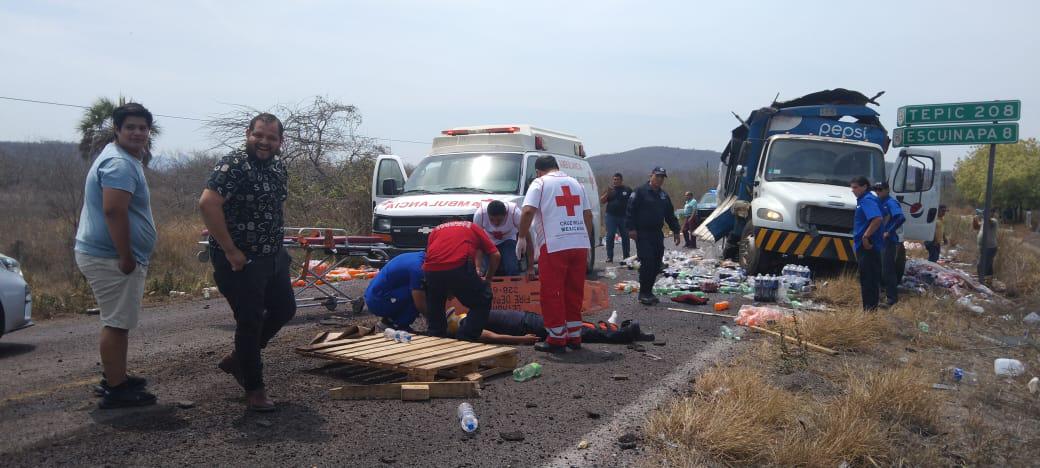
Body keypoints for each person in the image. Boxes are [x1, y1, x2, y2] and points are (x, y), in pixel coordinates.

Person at [199, 113, 294, 412]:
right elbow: (208, 204)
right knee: (250, 321)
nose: (264, 142)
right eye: (259, 135)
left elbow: (274, 206)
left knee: (284, 308)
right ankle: (254, 389)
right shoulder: (233, 164)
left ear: (280, 141)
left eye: (271, 137)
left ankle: (240, 359)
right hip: (241, 259)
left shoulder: (278, 167)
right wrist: (230, 250)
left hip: (272, 255)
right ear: (248, 134)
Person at [74, 103, 158, 409]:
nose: (137, 133)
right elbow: (113, 210)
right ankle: (116, 389)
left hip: (107, 254)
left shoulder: (122, 158)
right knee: (117, 323)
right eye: (130, 127)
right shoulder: (119, 164)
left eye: (142, 128)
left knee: (118, 320)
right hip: (111, 257)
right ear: (117, 129)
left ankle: (116, 376)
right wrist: (126, 255)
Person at [517, 155, 594, 353]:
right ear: (557, 167)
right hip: (579, 244)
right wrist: (587, 243)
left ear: (539, 171)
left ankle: (557, 338)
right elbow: (587, 214)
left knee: (552, 292)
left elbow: (527, 212)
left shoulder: (540, 183)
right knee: (574, 291)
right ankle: (574, 335)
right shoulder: (576, 184)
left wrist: (522, 237)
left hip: (554, 244)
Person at [422, 221, 500, 341]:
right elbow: (496, 255)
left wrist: (447, 287)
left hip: (431, 269)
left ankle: (436, 337)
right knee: (483, 300)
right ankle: (466, 337)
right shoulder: (472, 227)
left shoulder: (436, 229)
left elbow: (435, 256)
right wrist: (488, 280)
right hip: (459, 265)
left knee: (436, 304)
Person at [626, 167, 681, 306]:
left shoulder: (663, 195)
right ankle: (643, 293)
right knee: (647, 262)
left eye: (662, 177)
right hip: (643, 233)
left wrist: (676, 230)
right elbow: (630, 210)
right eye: (657, 176)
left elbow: (669, 214)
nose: (660, 179)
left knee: (657, 263)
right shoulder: (640, 192)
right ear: (651, 176)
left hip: (657, 233)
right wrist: (631, 228)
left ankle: (649, 292)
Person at [447, 308, 655, 345]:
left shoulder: (470, 316)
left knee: (573, 326)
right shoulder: (467, 327)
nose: (455, 316)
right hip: (525, 325)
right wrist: (522, 340)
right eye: (451, 317)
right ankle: (624, 335)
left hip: (527, 318)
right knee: (577, 332)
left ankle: (612, 330)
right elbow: (490, 336)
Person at [364, 252, 426, 331]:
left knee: (417, 288)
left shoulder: (418, 256)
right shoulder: (418, 267)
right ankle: (399, 325)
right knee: (418, 293)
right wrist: (432, 319)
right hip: (378, 301)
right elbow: (419, 301)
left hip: (375, 295)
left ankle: (389, 322)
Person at [472, 200, 531, 276]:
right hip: (488, 241)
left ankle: (513, 285)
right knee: (486, 269)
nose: (496, 223)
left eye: (499, 220)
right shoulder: (480, 215)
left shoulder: (515, 213)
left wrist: (530, 267)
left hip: (509, 239)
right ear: (487, 214)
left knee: (511, 267)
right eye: (492, 219)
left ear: (506, 214)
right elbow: (477, 244)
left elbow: (529, 240)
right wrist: (478, 267)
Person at [851, 177, 884, 311]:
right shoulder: (868, 199)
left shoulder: (867, 200)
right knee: (868, 278)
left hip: (868, 246)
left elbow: (877, 219)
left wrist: (866, 236)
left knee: (868, 279)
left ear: (864, 187)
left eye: (855, 187)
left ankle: (869, 311)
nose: (853, 190)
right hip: (866, 245)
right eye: (852, 187)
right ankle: (869, 309)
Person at [875, 182, 905, 307]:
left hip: (888, 241)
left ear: (887, 190)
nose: (878, 191)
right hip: (879, 240)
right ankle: (880, 294)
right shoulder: (879, 201)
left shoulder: (890, 203)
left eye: (880, 189)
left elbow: (901, 218)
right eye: (876, 189)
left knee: (888, 270)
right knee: (879, 268)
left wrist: (889, 231)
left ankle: (892, 298)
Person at [599, 173, 632, 262]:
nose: (615, 181)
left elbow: (633, 201)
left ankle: (626, 256)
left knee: (625, 236)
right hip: (611, 216)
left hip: (624, 217)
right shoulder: (610, 190)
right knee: (610, 236)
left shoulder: (627, 190)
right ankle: (609, 257)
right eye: (614, 179)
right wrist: (607, 193)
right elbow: (602, 201)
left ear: (621, 180)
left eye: (617, 179)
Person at [973, 208, 999, 284]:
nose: (985, 213)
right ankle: (989, 281)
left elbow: (989, 222)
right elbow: (976, 227)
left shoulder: (994, 221)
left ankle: (980, 282)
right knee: (989, 265)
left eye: (988, 212)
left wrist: (984, 216)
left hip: (990, 248)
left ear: (992, 213)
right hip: (984, 248)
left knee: (980, 265)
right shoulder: (984, 221)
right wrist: (975, 219)